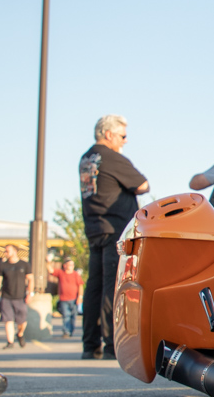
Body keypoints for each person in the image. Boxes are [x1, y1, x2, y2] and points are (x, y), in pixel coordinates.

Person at [80, 114, 149, 360]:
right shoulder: (111, 157)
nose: (125, 140)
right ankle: (112, 345)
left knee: (94, 286)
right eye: (122, 135)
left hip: (94, 227)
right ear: (109, 134)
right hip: (115, 227)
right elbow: (143, 185)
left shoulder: (86, 158)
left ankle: (90, 345)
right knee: (113, 285)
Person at [0, 244, 32, 349]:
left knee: (22, 320)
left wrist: (30, 293)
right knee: (8, 319)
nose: (5, 253)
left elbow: (30, 279)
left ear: (15, 251)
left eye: (7, 251)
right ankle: (10, 342)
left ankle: (20, 334)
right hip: (6, 297)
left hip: (20, 297)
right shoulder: (2, 265)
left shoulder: (24, 265)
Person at [51, 258, 83, 338]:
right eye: (70, 265)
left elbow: (80, 285)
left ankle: (71, 331)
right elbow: (51, 271)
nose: (71, 266)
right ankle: (66, 331)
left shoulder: (76, 274)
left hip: (74, 299)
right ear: (65, 265)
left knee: (73, 316)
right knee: (66, 315)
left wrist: (80, 297)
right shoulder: (61, 273)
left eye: (72, 265)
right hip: (63, 299)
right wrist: (48, 261)